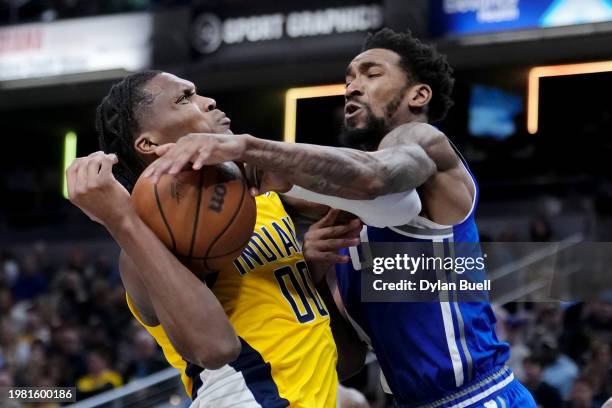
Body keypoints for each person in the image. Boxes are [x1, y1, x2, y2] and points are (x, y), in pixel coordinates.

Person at [143, 28, 536, 406]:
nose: (352, 85)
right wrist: (309, 269)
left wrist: (249, 149)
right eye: (348, 77)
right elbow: (346, 359)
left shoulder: (425, 143)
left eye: (371, 73)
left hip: (480, 397)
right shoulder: (342, 215)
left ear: (419, 94)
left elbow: (375, 176)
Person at [66, 71, 339, 407]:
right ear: (148, 144)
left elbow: (366, 195)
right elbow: (215, 349)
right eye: (185, 98)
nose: (209, 102)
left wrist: (311, 270)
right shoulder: (147, 239)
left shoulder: (254, 194)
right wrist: (122, 220)